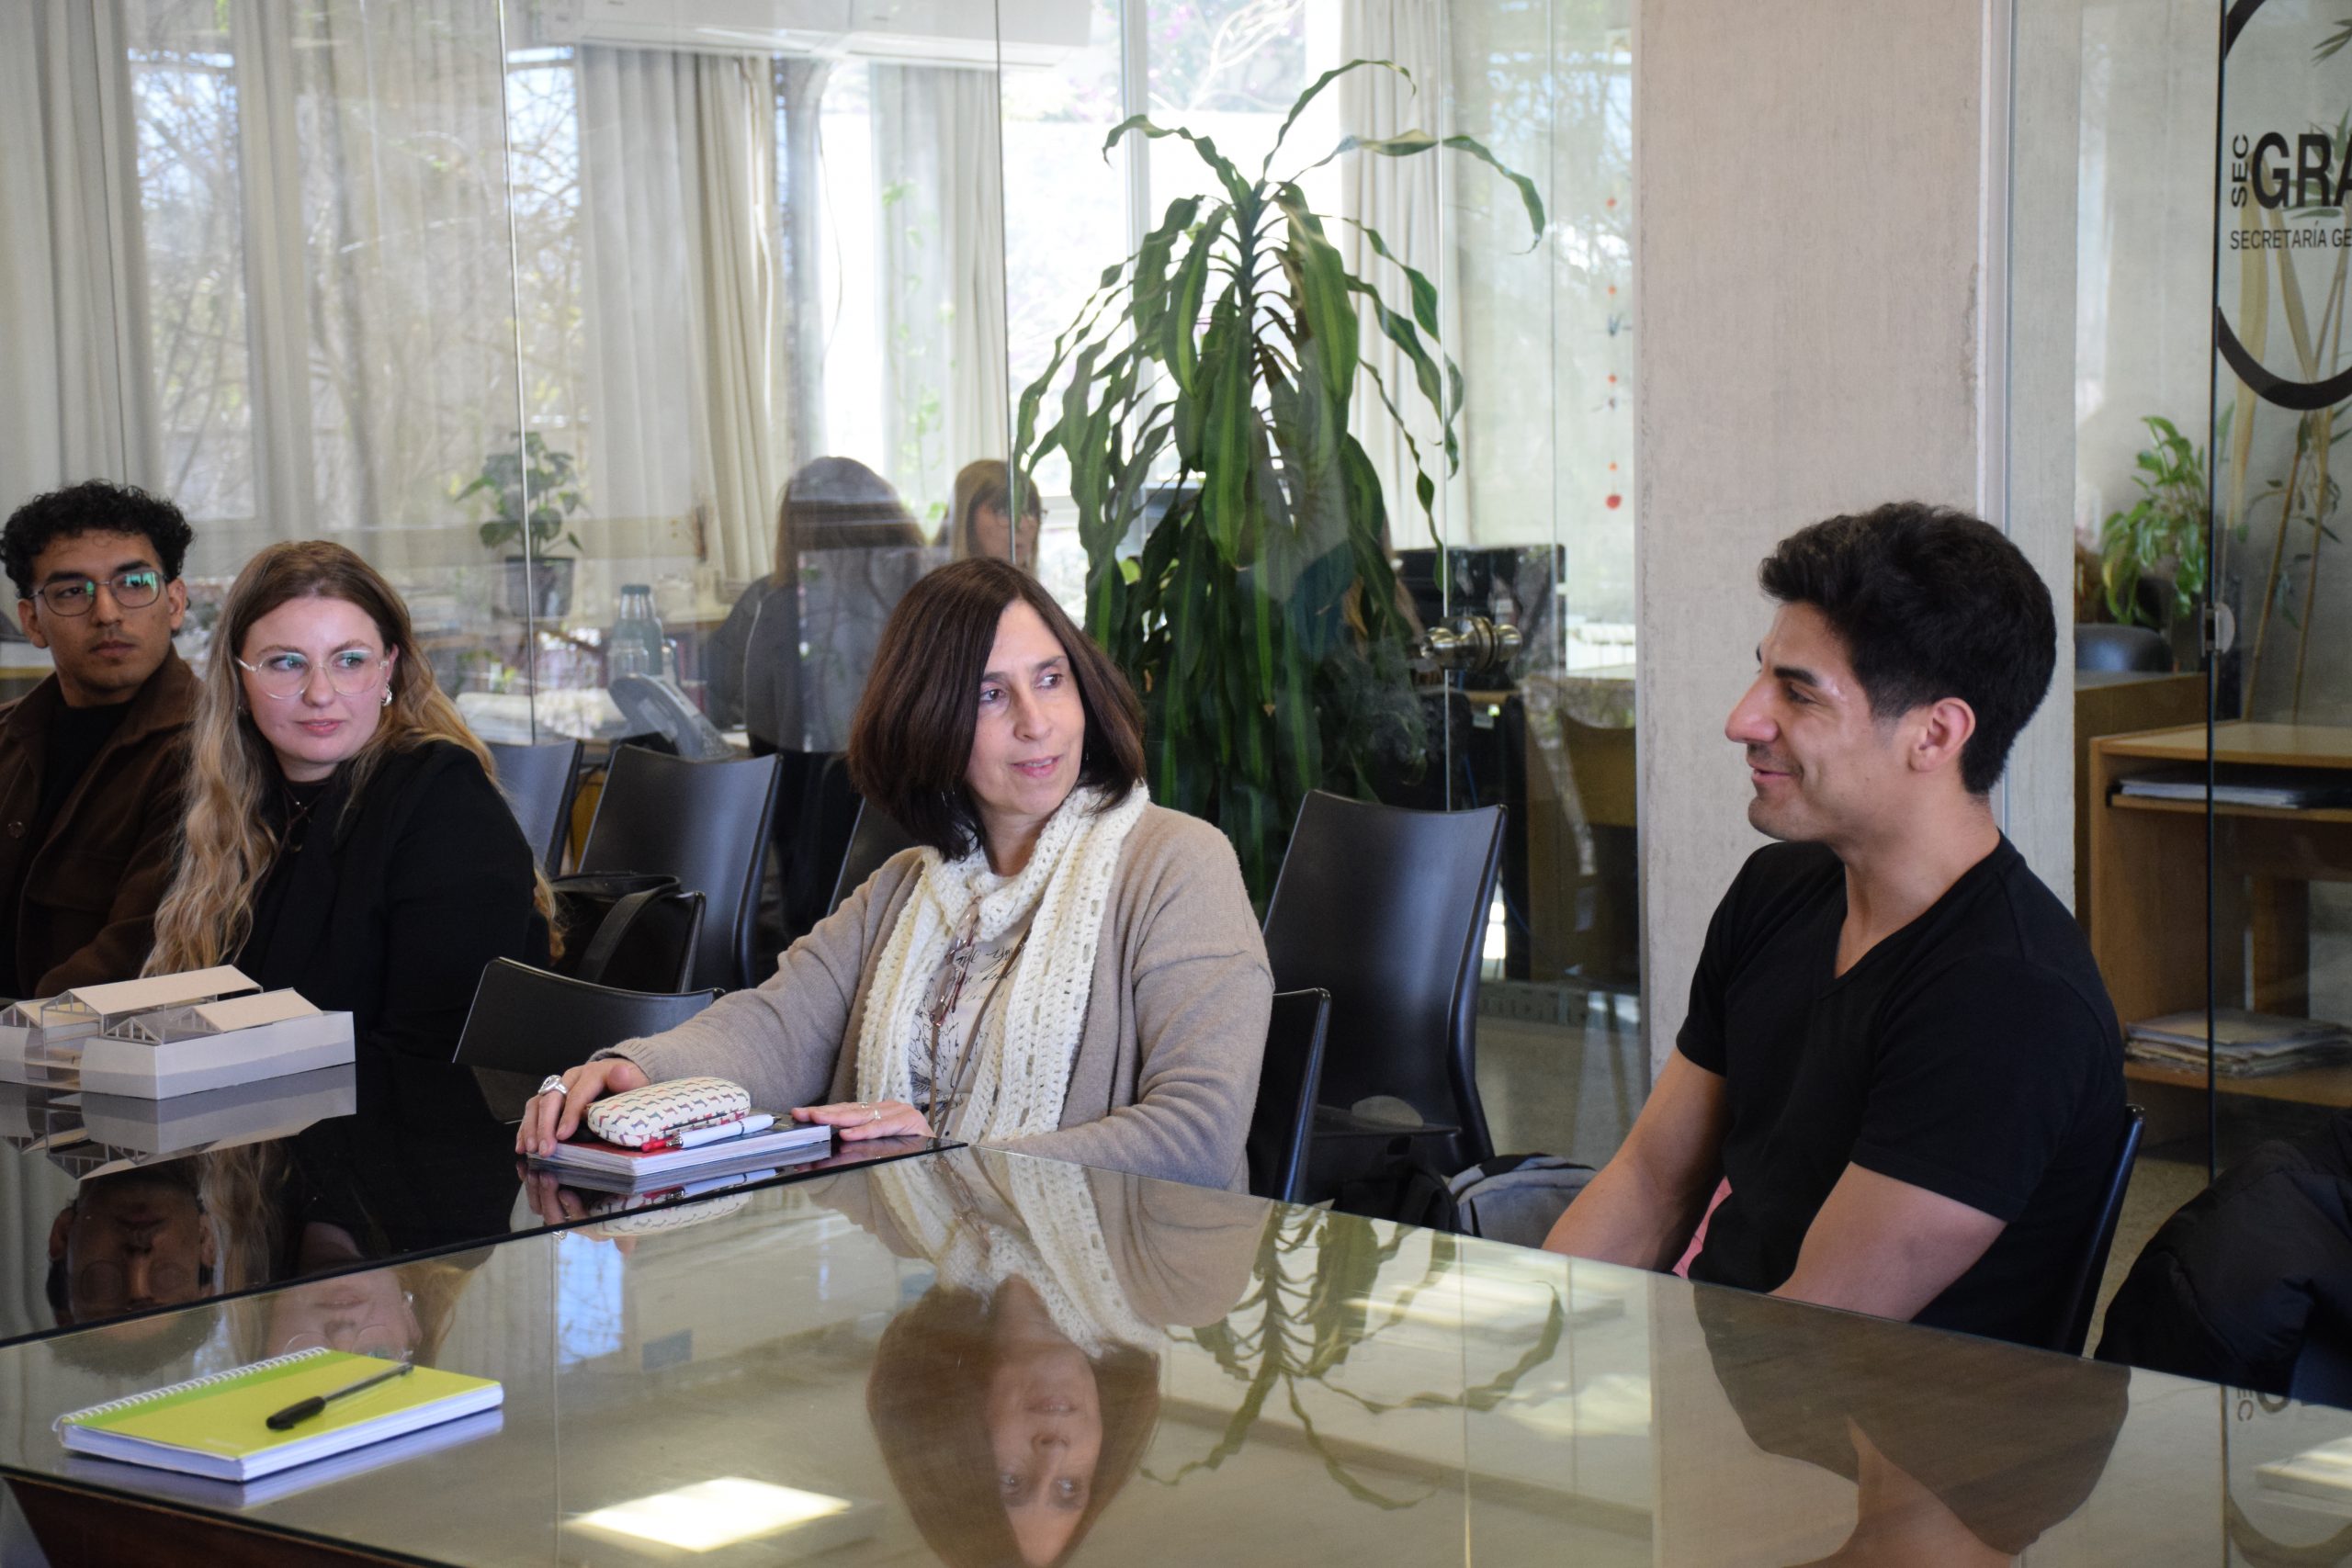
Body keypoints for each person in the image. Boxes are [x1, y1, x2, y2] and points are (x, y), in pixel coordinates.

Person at [1544, 502, 2125, 1348]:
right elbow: (1650, 1184)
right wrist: (1534, 1345)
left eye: (1798, 692)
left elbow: (1816, 1330)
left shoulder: (2010, 999)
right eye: (1762, 674)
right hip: (1734, 1379)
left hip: (1863, 1416)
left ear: (1935, 733)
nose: (1743, 719)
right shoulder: (1778, 889)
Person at [521, 557, 1273, 1190]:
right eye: (990, 694)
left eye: (1051, 679)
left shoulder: (1178, 864)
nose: (1036, 721)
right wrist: (638, 1069)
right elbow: (776, 1028)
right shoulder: (906, 886)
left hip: (1113, 1289)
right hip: (921, 1285)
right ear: (928, 718)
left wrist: (952, 1162)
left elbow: (1198, 1139)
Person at [147, 540, 550, 1059]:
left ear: (388, 669)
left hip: (405, 1106)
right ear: (238, 677)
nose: (320, 693)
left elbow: (438, 1058)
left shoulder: (446, 803)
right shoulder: (236, 800)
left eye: (350, 660)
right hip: (256, 1103)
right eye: (286, 663)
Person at [849, 1155, 1260, 1568]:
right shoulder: (1187, 1284)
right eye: (1069, 1486)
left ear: (955, 1438)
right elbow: (1199, 1141)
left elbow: (817, 1128)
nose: (1053, 1452)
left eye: (1012, 1481)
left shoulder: (905, 1215)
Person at [0, 480, 199, 997]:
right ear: (32, 622)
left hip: (81, 1039)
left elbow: (134, 957)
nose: (107, 613)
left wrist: (17, 1029)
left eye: (134, 584)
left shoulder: (212, 750)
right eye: (72, 592)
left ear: (174, 603)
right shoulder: (9, 735)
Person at [703, 456, 931, 746]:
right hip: (923, 770)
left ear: (795, 531)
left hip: (814, 774)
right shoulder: (929, 594)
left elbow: (761, 733)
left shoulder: (784, 607)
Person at [945, 459, 1043, 571]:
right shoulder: (935, 579)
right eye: (1004, 512)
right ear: (967, 519)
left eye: (1031, 512)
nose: (1023, 525)